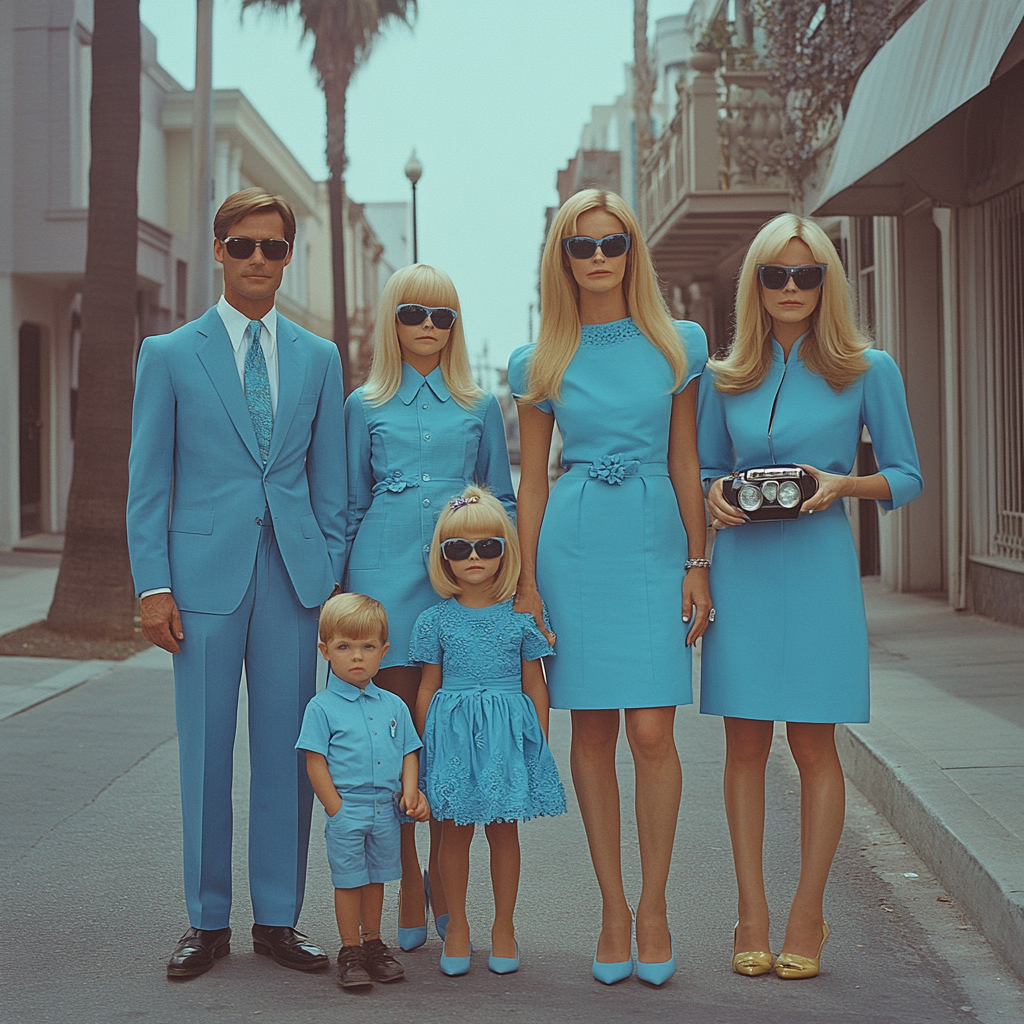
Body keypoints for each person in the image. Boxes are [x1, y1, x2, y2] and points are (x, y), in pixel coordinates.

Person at [127, 188, 346, 978]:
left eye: (274, 247)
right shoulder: (169, 354)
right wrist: (153, 584)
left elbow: (332, 486)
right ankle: (206, 920)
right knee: (206, 753)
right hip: (199, 585)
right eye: (244, 245)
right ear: (218, 250)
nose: (259, 259)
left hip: (294, 583)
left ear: (289, 258)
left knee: (290, 752)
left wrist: (329, 577)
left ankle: (279, 919)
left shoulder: (320, 360)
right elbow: (148, 481)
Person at [698, 213, 923, 980]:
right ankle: (751, 911)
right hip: (744, 574)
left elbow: (906, 475)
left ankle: (809, 911)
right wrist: (717, 496)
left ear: (826, 283)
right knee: (745, 744)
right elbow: (697, 474)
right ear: (754, 285)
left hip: (823, 569)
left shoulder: (868, 369)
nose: (791, 288)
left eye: (807, 275)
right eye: (776, 275)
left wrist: (843, 485)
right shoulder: (723, 376)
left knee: (814, 744)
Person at [507, 189, 712, 986]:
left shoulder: (680, 344)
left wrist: (698, 563)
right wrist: (525, 586)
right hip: (574, 544)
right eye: (581, 247)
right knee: (590, 732)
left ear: (633, 250)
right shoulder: (539, 360)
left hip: (657, 538)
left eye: (611, 244)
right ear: (562, 258)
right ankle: (612, 908)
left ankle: (656, 908)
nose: (598, 259)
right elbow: (530, 486)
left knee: (654, 733)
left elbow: (688, 461)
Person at [344, 264, 516, 949]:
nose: (427, 328)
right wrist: (342, 602)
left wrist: (506, 592)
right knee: (391, 745)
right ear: (393, 321)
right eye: (414, 314)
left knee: (446, 740)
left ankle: (447, 882)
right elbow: (348, 503)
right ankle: (411, 882)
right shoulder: (362, 404)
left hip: (457, 587)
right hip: (380, 583)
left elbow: (500, 501)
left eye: (441, 317)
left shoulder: (478, 406)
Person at [411, 487, 566, 976]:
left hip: (505, 738)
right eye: (458, 548)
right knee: (453, 834)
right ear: (443, 558)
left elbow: (535, 685)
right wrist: (421, 747)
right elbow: (427, 687)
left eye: (487, 546)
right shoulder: (434, 620)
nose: (473, 557)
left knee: (504, 833)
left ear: (506, 550)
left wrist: (536, 742)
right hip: (452, 736)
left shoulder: (523, 617)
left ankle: (504, 925)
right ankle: (456, 926)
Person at [296, 594, 430, 989]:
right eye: (344, 647)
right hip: (348, 810)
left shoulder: (393, 705)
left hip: (387, 810)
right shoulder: (321, 708)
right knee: (349, 880)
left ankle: (373, 942)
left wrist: (411, 793)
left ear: (384, 652)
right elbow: (314, 760)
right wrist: (335, 809)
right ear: (325, 651)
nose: (357, 657)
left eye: (367, 647)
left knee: (378, 878)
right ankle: (350, 949)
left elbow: (409, 750)